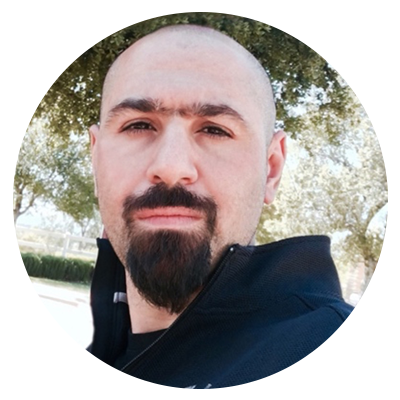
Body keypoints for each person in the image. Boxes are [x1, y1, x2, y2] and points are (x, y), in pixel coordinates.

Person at [54, 24, 388, 389]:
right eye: (138, 125)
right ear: (96, 157)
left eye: (214, 129)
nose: (171, 167)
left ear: (271, 169)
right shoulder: (80, 375)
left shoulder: (358, 376)